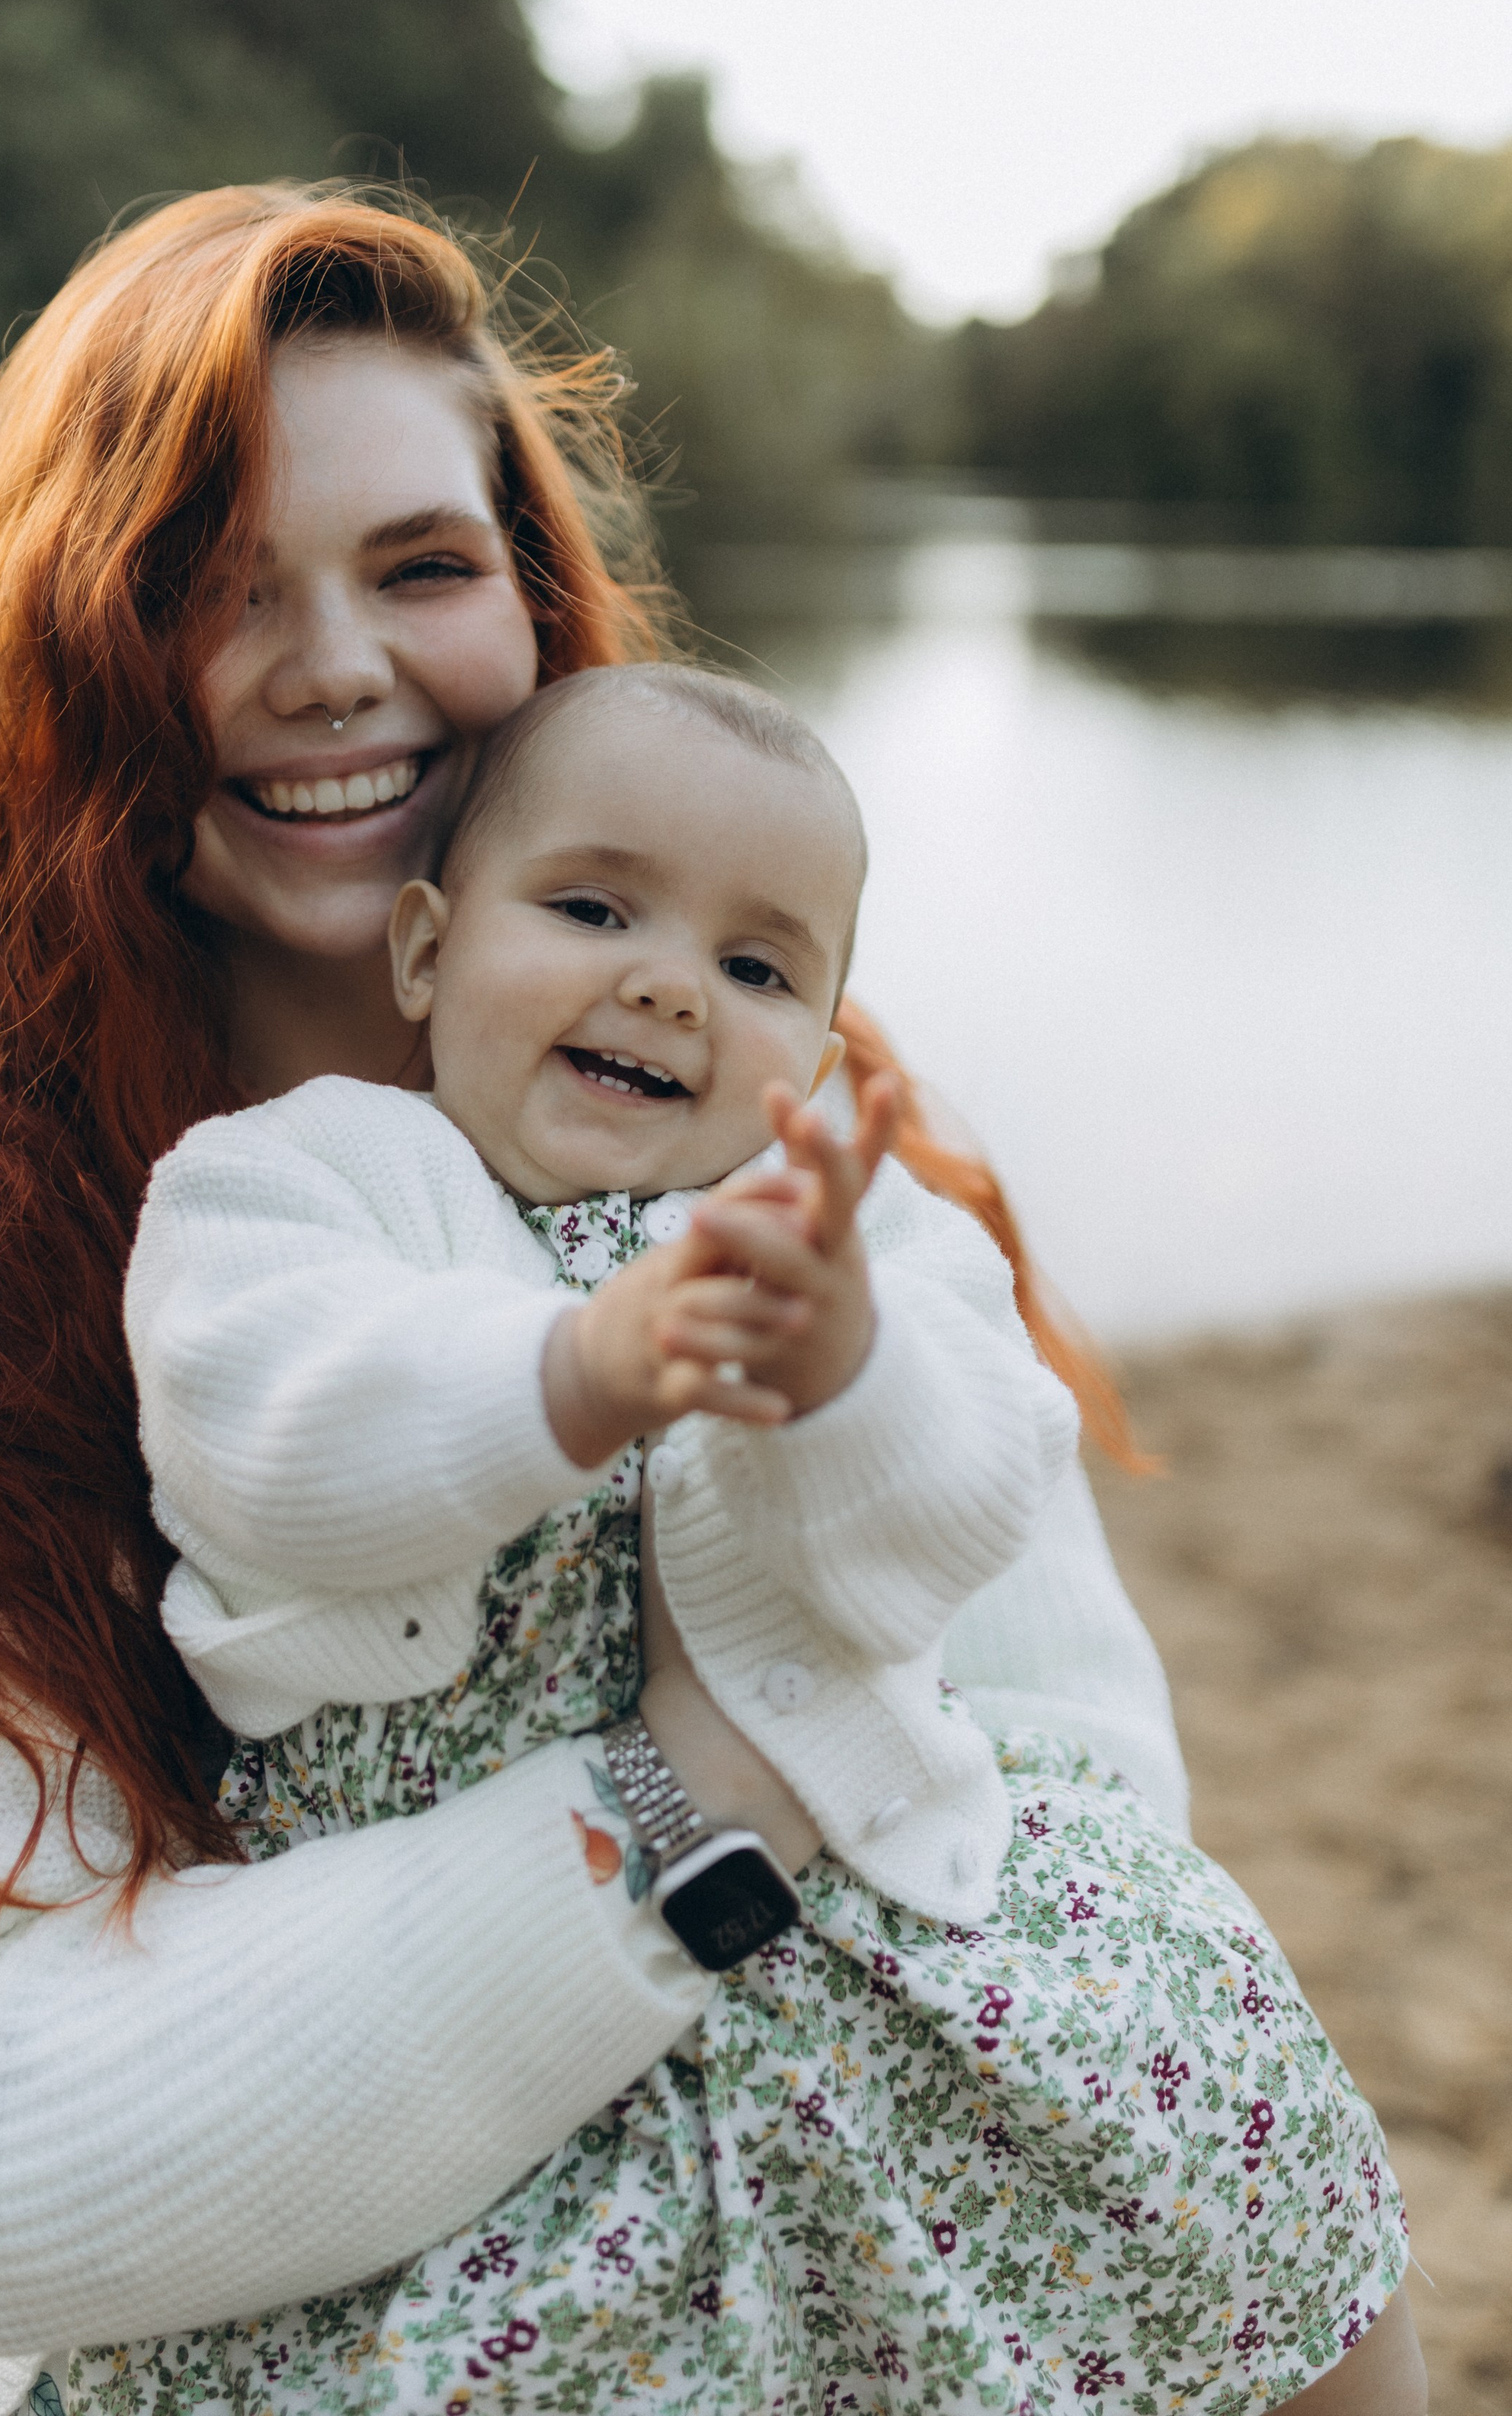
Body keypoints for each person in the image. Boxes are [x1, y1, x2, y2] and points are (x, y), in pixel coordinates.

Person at [0, 188, 1420, 2416]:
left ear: (532, 600)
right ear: (70, 653)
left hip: (848, 2244)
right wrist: (694, 1790)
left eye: (420, 566)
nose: (331, 665)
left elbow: (1073, 1791)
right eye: (211, 592)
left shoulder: (773, 1131)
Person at [97, 663, 1410, 2414]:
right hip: (485, 1990)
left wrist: (840, 1377)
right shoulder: (298, 1183)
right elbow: (264, 1433)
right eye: (588, 907)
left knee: (1242, 2133)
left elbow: (946, 1529)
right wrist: (573, 1370)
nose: (664, 983)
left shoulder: (866, 1247)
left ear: (825, 1043)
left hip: (880, 1911)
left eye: (756, 966)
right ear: (423, 949)